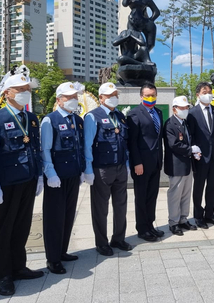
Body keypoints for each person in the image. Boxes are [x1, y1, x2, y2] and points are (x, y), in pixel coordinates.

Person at [0, 73, 44, 296]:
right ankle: (3, 275)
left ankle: (19, 267)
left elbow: (34, 148)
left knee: (22, 225)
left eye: (26, 89)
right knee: (4, 228)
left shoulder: (31, 118)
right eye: (19, 89)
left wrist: (38, 175)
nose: (24, 93)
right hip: (7, 183)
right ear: (7, 93)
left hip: (28, 179)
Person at [40, 82, 94, 275]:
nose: (73, 100)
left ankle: (62, 251)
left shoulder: (77, 120)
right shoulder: (50, 120)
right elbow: (45, 149)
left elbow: (80, 147)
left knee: (68, 215)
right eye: (69, 97)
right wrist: (50, 172)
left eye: (75, 97)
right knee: (54, 218)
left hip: (73, 174)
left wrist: (82, 169)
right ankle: (52, 258)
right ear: (59, 100)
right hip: (57, 177)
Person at [84, 82, 132, 256]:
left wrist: (126, 165)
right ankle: (101, 242)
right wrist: (88, 169)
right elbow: (87, 145)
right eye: (110, 95)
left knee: (121, 205)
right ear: (101, 98)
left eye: (116, 95)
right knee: (100, 208)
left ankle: (118, 238)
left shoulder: (119, 115)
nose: (114, 98)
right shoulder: (92, 117)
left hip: (120, 167)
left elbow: (124, 142)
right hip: (102, 168)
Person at [187, 81, 214, 229]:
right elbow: (190, 136)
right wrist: (193, 151)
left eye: (210, 92)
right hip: (200, 157)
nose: (208, 95)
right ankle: (198, 216)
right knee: (198, 187)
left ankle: (210, 215)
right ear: (198, 94)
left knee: (212, 186)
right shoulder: (192, 113)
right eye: (205, 92)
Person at [127, 82, 164, 242]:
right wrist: (137, 162)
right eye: (147, 95)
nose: (151, 98)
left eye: (153, 95)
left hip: (155, 162)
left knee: (152, 196)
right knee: (141, 197)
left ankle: (150, 225)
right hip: (141, 164)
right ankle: (142, 229)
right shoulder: (134, 114)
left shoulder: (158, 112)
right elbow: (133, 142)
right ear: (141, 96)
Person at [163, 96, 198, 236]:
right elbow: (174, 144)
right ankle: (173, 222)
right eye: (182, 108)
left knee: (185, 194)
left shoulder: (185, 123)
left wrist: (194, 152)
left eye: (186, 108)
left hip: (187, 165)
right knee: (175, 195)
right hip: (176, 165)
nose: (185, 110)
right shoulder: (170, 124)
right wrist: (191, 150)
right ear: (174, 109)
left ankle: (183, 219)